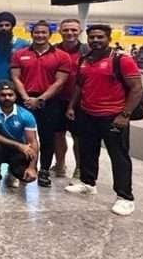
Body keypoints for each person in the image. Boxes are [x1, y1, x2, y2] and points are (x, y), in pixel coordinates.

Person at [64, 24, 143, 216]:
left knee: (118, 156)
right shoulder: (84, 59)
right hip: (88, 113)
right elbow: (79, 86)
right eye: (92, 37)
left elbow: (136, 88)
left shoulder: (121, 59)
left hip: (113, 116)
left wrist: (125, 115)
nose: (95, 40)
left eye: (100, 37)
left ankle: (125, 197)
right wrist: (72, 106)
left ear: (109, 38)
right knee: (88, 150)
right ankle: (88, 183)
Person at [10, 20, 71, 188]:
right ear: (31, 34)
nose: (40, 35)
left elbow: (60, 82)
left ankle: (44, 170)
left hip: (49, 102)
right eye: (37, 32)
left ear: (50, 35)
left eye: (44, 32)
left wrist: (41, 99)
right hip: (24, 100)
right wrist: (25, 98)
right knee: (23, 136)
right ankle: (23, 167)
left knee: (47, 137)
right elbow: (16, 77)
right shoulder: (20, 54)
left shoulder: (62, 56)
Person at [0, 81, 39, 197]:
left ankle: (12, 173)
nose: (7, 97)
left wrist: (32, 167)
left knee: (25, 175)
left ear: (15, 96)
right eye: (3, 95)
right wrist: (18, 145)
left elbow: (33, 141)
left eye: (10, 94)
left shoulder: (26, 115)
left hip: (17, 151)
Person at [55, 18, 89, 180]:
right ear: (60, 31)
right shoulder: (53, 50)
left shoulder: (88, 51)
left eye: (74, 30)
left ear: (80, 31)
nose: (70, 33)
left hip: (80, 101)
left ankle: (80, 167)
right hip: (57, 99)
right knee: (58, 134)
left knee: (78, 136)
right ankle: (60, 165)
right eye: (66, 30)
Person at [0, 12, 29, 99]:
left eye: (7, 25)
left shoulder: (23, 44)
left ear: (12, 27)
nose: (4, 28)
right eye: (0, 26)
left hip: (14, 87)